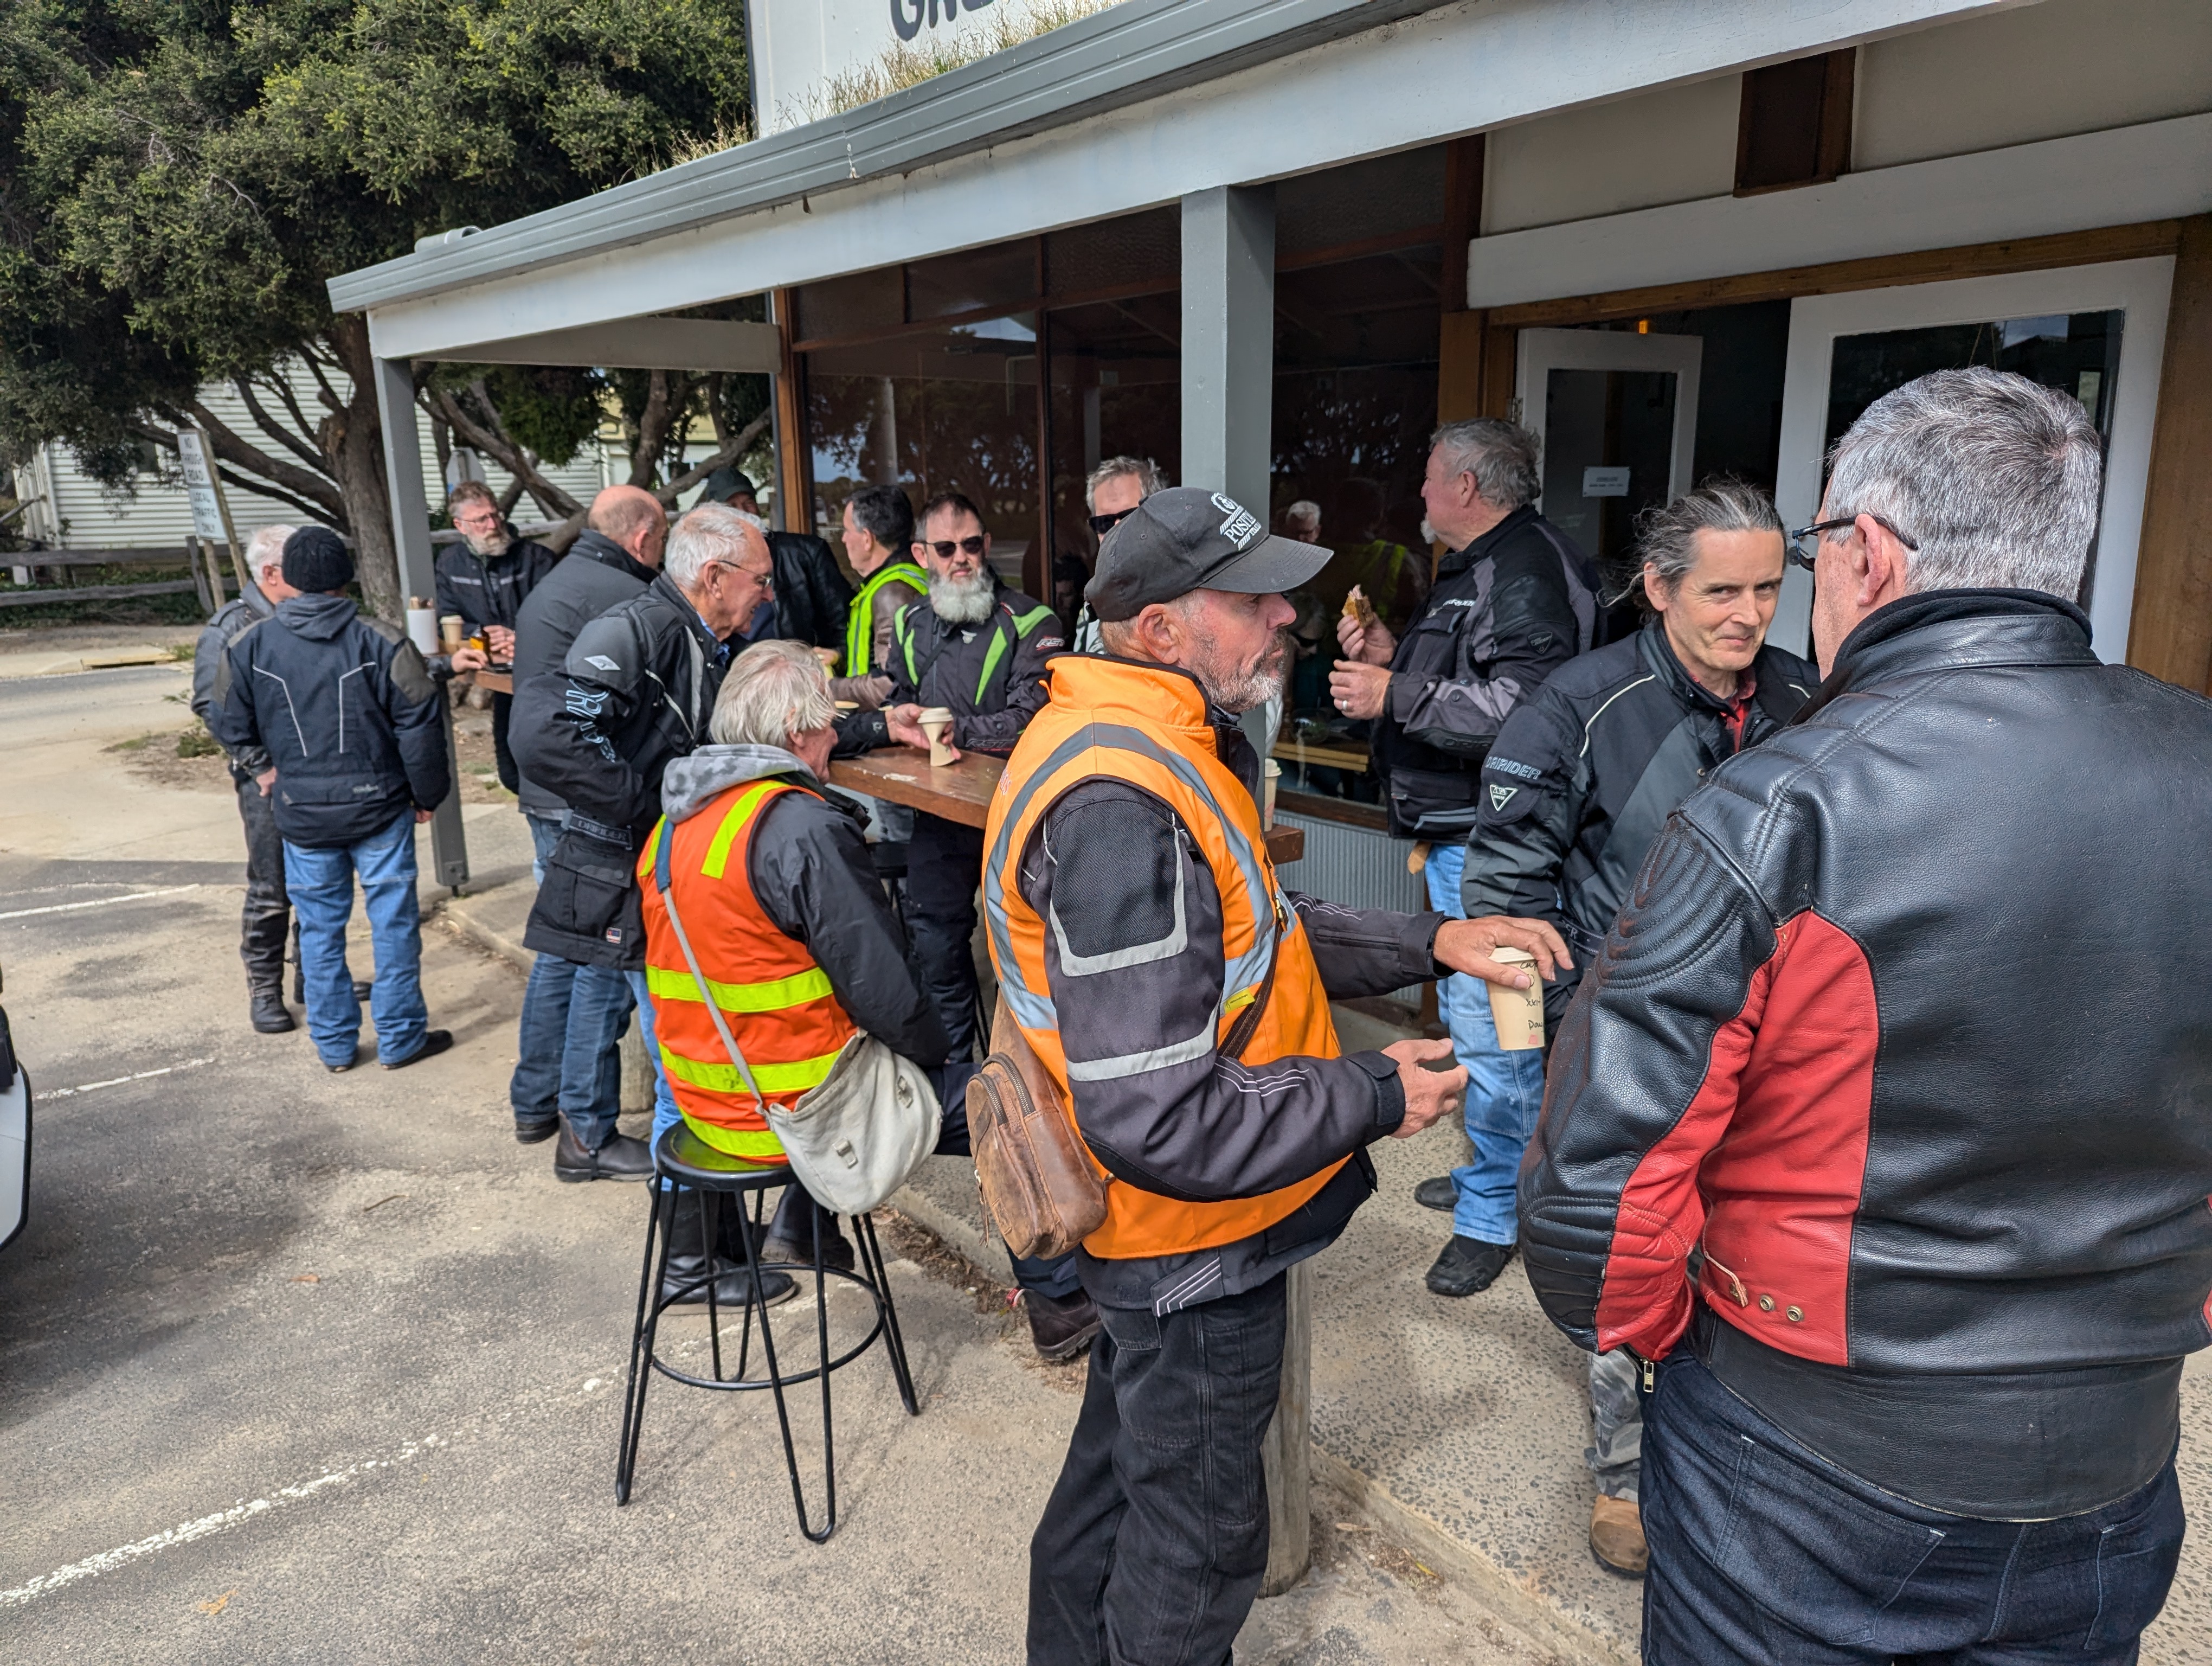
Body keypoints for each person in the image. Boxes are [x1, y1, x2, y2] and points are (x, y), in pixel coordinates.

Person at [1520, 367, 2212, 1664]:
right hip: (2114, 1449)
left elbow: (1595, 1201)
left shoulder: (1781, 803)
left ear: (1871, 554)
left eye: (1811, 551)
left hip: (1801, 1446)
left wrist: (1694, 1344)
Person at [992, 486, 1570, 1664]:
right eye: (1252, 600)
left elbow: (1261, 926)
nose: (1285, 618)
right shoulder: (1121, 804)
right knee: (1199, 1545)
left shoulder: (1148, 740)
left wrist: (1435, 940)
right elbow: (1162, 1118)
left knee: (1113, 1489)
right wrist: (1377, 1094)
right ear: (1162, 629)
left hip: (1165, 1236)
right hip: (1188, 1246)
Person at [1454, 478, 1814, 1576]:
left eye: (1767, 589)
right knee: (1634, 1254)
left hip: (1779, 1040)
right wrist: (1546, 1049)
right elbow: (1503, 894)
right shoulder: (1577, 705)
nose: (1749, 615)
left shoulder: (1810, 696)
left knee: (1749, 1252)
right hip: (1625, 1041)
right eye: (1721, 592)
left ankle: (1740, 1454)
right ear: (1659, 587)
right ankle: (1624, 1473)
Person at [641, 641, 1071, 1318]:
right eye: (828, 723)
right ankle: (1060, 1302)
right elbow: (888, 993)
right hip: (792, 1111)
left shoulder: (677, 824)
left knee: (862, 1051)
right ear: (797, 733)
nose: (835, 736)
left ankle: (803, 1230)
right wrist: (937, 1060)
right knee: (1004, 1096)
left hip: (706, 1102)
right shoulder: (797, 828)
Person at [1329, 419, 1595, 1303]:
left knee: (1503, 1036)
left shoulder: (1523, 570)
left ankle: (1492, 1216)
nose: (1420, 494)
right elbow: (1474, 677)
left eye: (1430, 478)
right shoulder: (1480, 565)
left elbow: (1527, 710)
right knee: (1482, 1026)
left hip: (1502, 851)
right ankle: (1493, 1171)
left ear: (1469, 488)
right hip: (1460, 840)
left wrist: (1395, 692)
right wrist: (1390, 658)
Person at [511, 501, 761, 1189]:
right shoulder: (642, 627)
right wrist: (644, 804)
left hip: (634, 866)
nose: (767, 593)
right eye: (760, 579)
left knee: (603, 989)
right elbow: (544, 731)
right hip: (624, 862)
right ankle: (683, 1213)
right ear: (716, 576)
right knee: (675, 1040)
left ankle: (583, 1138)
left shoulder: (695, 637)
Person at [208, 527, 454, 1073]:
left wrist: (262, 768)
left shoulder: (248, 645)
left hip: (302, 813)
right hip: (381, 808)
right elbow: (420, 725)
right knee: (394, 926)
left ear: (290, 577)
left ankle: (336, 1046)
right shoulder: (384, 641)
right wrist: (427, 795)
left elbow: (224, 718)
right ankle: (400, 1038)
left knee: (320, 931)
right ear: (347, 577)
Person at [838, 490, 1062, 1067]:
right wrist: (895, 725)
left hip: (1020, 817)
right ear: (922, 554)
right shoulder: (910, 622)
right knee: (936, 946)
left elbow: (1033, 721)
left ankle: (1036, 1085)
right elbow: (902, 702)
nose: (961, 558)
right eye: (945, 548)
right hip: (939, 816)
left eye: (970, 545)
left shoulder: (1034, 620)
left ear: (986, 545)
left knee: (1031, 955)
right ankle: (958, 1085)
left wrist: (951, 731)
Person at [505, 485, 665, 1156]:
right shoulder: (624, 598)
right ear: (642, 538)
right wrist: (635, 796)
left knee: (564, 952)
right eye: (663, 538)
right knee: (603, 962)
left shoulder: (554, 582)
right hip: (589, 798)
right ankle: (587, 1129)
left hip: (546, 791)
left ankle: (535, 1101)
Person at [192, 522, 299, 1035]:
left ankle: (316, 978)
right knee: (272, 886)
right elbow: (209, 704)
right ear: (271, 573)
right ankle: (265, 988)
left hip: (313, 773)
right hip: (266, 781)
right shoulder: (232, 626)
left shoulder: (303, 614)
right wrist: (260, 765)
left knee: (318, 884)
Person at [435, 480, 558, 793]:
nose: (493, 525)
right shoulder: (450, 563)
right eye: (481, 520)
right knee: (510, 772)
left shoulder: (536, 558)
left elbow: (558, 616)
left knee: (546, 768)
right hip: (498, 676)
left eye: (495, 515)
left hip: (544, 676)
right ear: (460, 526)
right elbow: (445, 618)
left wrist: (519, 634)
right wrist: (482, 634)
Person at [695, 466, 852, 661]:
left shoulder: (807, 553)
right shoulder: (709, 567)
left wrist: (838, 657)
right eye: (732, 506)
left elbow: (844, 624)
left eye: (748, 503)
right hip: (739, 672)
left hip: (799, 670)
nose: (743, 512)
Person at [827, 484, 927, 710]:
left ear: (867, 539)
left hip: (887, 723)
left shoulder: (892, 593)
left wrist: (829, 688)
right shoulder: (906, 576)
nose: (843, 539)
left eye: (847, 530)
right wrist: (840, 656)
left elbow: (891, 685)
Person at [1068, 455, 1164, 653]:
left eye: (1130, 517)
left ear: (1158, 514)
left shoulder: (1186, 597)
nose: (1117, 530)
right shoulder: (1091, 606)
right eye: (1104, 523)